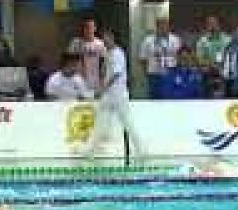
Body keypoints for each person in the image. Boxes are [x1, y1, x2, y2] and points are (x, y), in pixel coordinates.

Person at [87, 28, 144, 158]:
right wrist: (102, 87)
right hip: (108, 95)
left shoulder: (118, 53)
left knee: (127, 123)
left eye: (106, 37)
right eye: (103, 37)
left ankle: (141, 150)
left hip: (118, 95)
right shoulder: (108, 53)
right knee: (100, 121)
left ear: (112, 37)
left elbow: (116, 74)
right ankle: (91, 150)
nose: (104, 40)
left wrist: (103, 88)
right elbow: (106, 73)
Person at [140, 16, 181, 98]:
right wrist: (147, 73)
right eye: (161, 25)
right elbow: (143, 59)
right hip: (153, 74)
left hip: (170, 72)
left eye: (165, 25)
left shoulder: (175, 39)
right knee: (154, 98)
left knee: (169, 97)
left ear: (169, 26)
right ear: (157, 26)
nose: (163, 27)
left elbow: (179, 56)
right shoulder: (148, 40)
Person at [196, 15, 230, 96]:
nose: (212, 26)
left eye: (214, 23)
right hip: (208, 74)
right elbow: (199, 58)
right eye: (209, 24)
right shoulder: (202, 41)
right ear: (206, 26)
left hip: (224, 74)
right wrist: (211, 64)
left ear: (219, 24)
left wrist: (221, 65)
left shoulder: (228, 40)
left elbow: (231, 57)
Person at [68, 18, 106, 93]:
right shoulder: (75, 43)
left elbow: (103, 63)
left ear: (95, 28)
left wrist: (102, 80)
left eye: (91, 27)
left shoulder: (100, 44)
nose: (88, 30)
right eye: (86, 27)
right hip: (78, 79)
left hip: (95, 80)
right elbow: (69, 61)